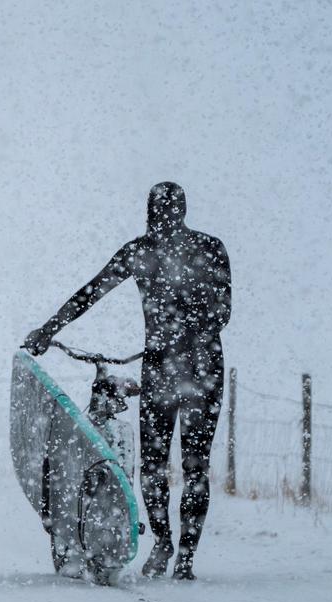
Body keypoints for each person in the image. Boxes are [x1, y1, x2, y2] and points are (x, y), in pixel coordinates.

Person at [23, 182, 231, 581]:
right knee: (160, 465)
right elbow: (90, 293)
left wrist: (175, 332)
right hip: (176, 368)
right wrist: (48, 330)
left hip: (192, 369)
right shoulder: (151, 251)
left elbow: (222, 312)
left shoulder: (198, 250)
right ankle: (168, 544)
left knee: (189, 465)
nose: (160, 219)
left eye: (162, 211)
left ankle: (182, 555)